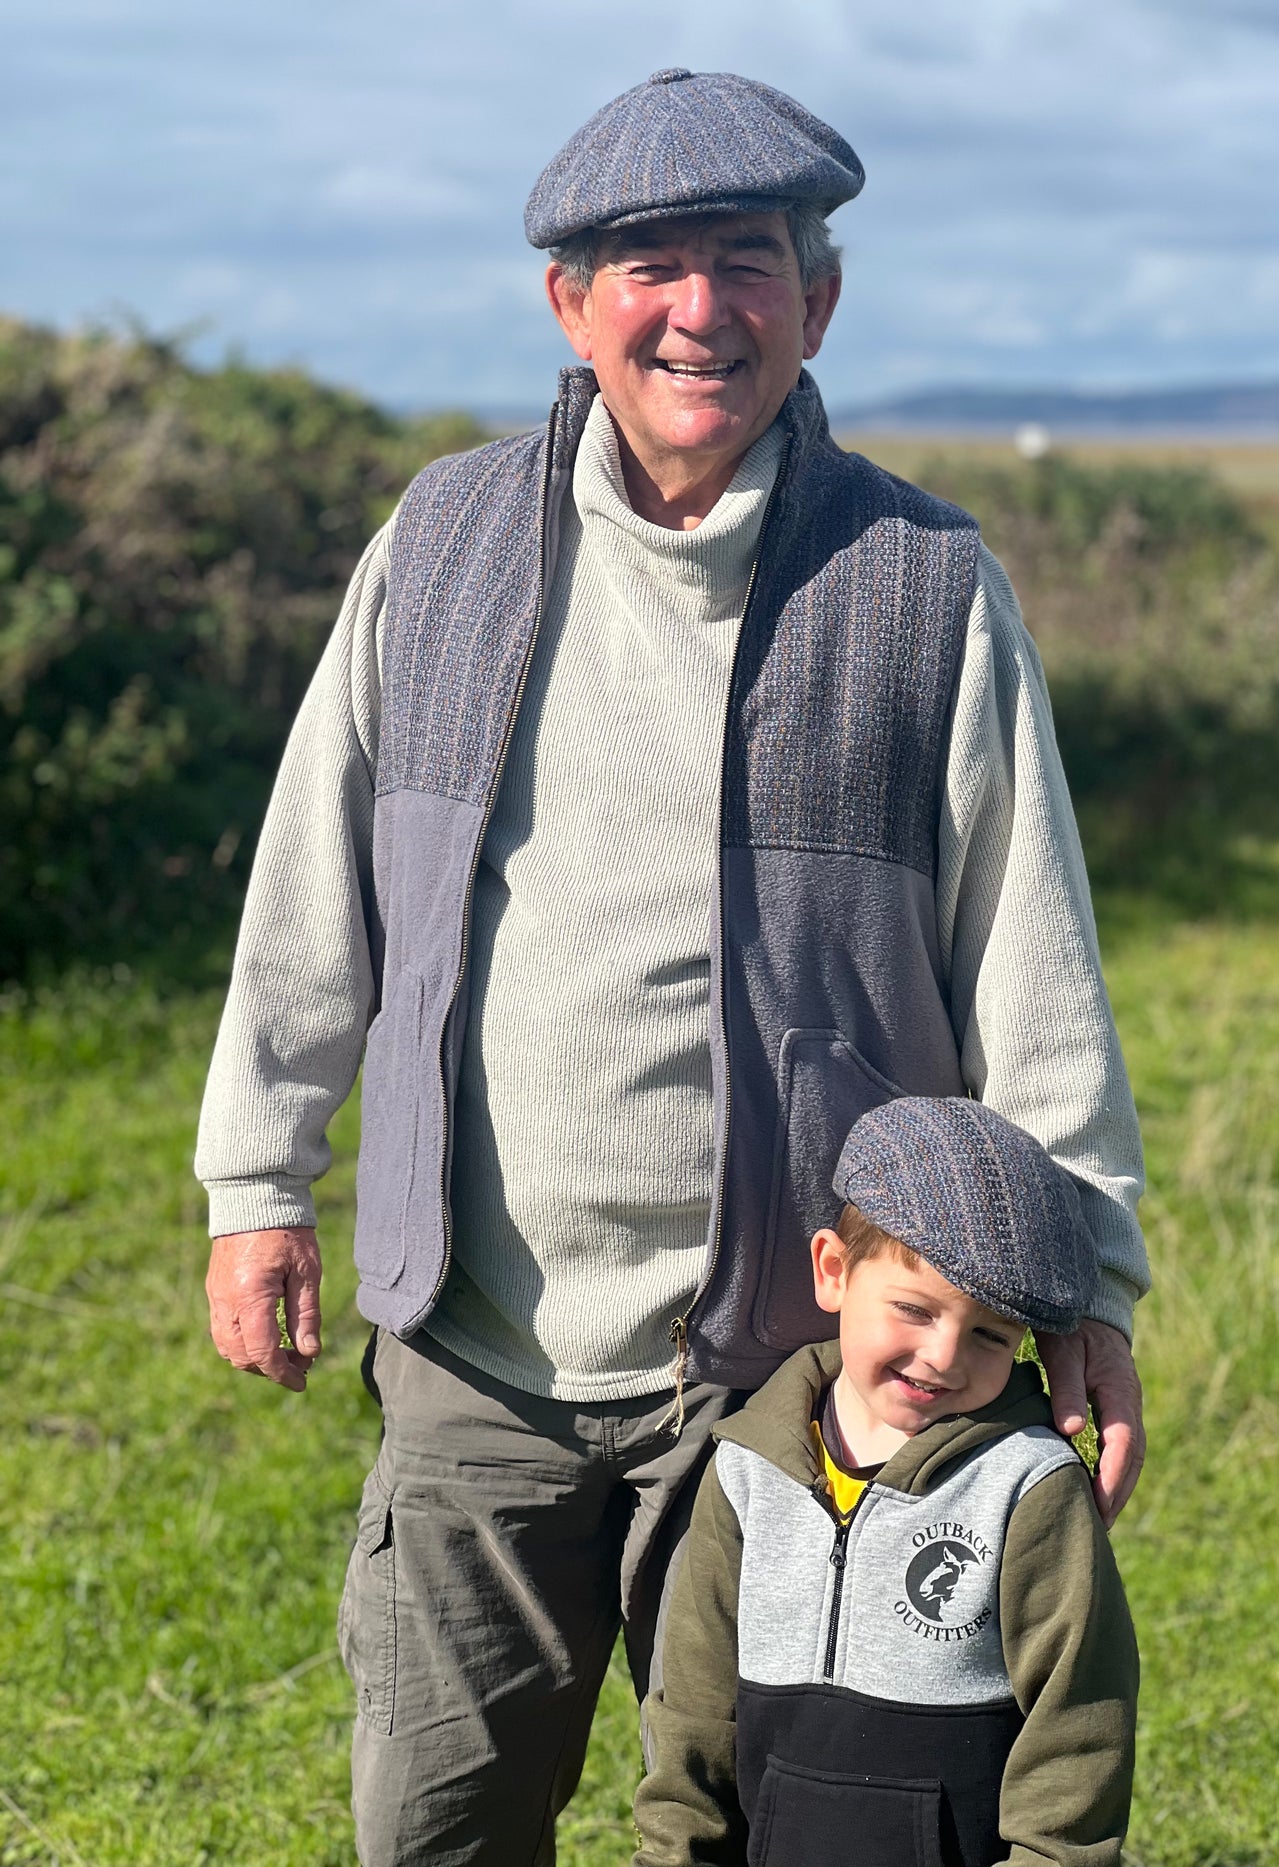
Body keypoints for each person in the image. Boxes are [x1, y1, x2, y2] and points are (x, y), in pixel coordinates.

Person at [194, 67, 1149, 1866]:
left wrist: (1086, 1286)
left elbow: (1034, 950)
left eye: (747, 257)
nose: (698, 306)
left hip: (789, 1366)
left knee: (790, 1830)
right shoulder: (445, 540)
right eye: (646, 261)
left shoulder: (922, 582)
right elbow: (314, 874)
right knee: (439, 1824)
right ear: (569, 301)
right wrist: (259, 1176)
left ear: (820, 299)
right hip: (479, 1347)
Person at [632, 1095, 1138, 1867]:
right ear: (833, 1270)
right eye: (913, 1308)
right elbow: (693, 1722)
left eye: (990, 1334)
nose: (943, 1355)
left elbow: (1078, 1733)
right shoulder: (744, 1469)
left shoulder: (1029, 1486)